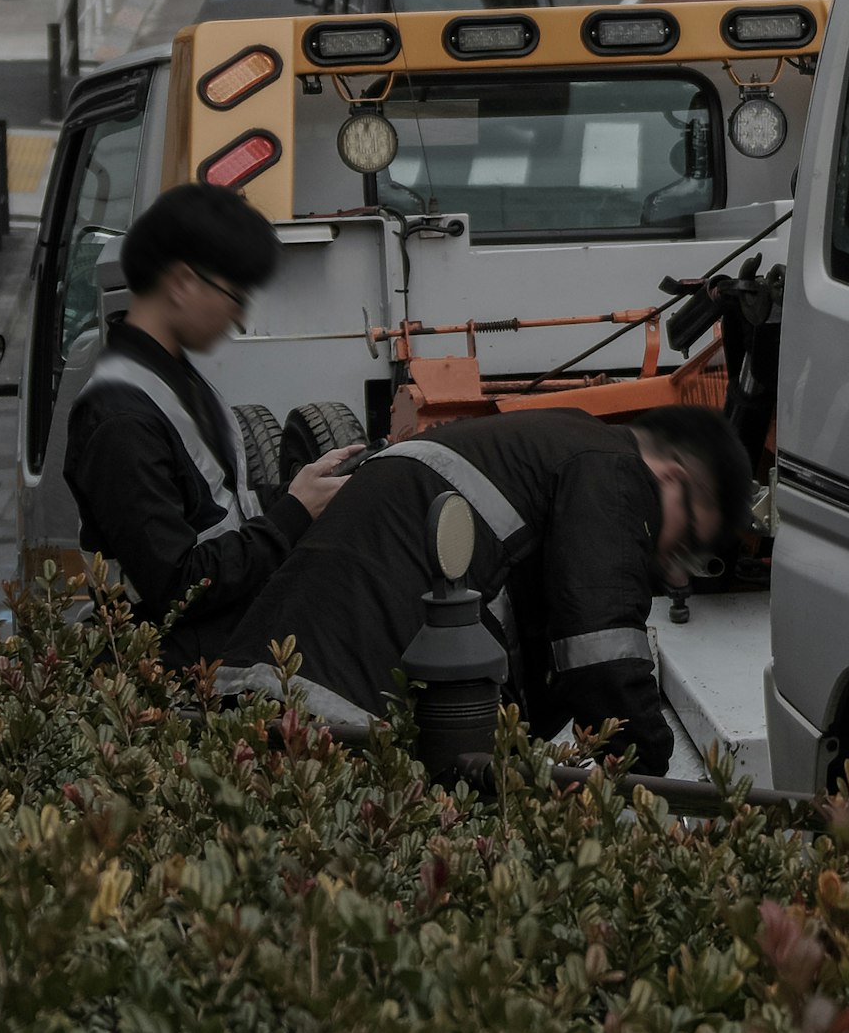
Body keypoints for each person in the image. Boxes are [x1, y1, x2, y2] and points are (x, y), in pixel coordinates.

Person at [222, 403, 750, 772]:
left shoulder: (540, 446)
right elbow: (601, 652)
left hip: (260, 689)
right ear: (673, 478)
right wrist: (648, 781)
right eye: (688, 548)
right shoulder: (611, 467)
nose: (677, 576)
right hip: (338, 716)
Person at [61, 184, 360, 664]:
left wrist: (302, 492)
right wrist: (292, 514)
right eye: (234, 295)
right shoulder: (120, 419)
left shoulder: (171, 378)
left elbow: (219, 514)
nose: (239, 318)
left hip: (215, 649)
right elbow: (175, 585)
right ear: (181, 282)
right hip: (178, 679)